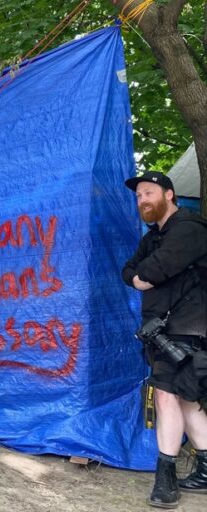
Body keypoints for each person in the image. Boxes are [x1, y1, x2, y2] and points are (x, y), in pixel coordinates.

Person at [122, 171, 207, 508]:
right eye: (139, 195)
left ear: (169, 195)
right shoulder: (153, 236)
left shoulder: (189, 229)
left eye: (149, 192)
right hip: (163, 329)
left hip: (188, 328)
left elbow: (151, 273)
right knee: (186, 399)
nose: (143, 200)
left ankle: (165, 479)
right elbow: (129, 271)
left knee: (167, 397)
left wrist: (143, 277)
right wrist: (139, 277)